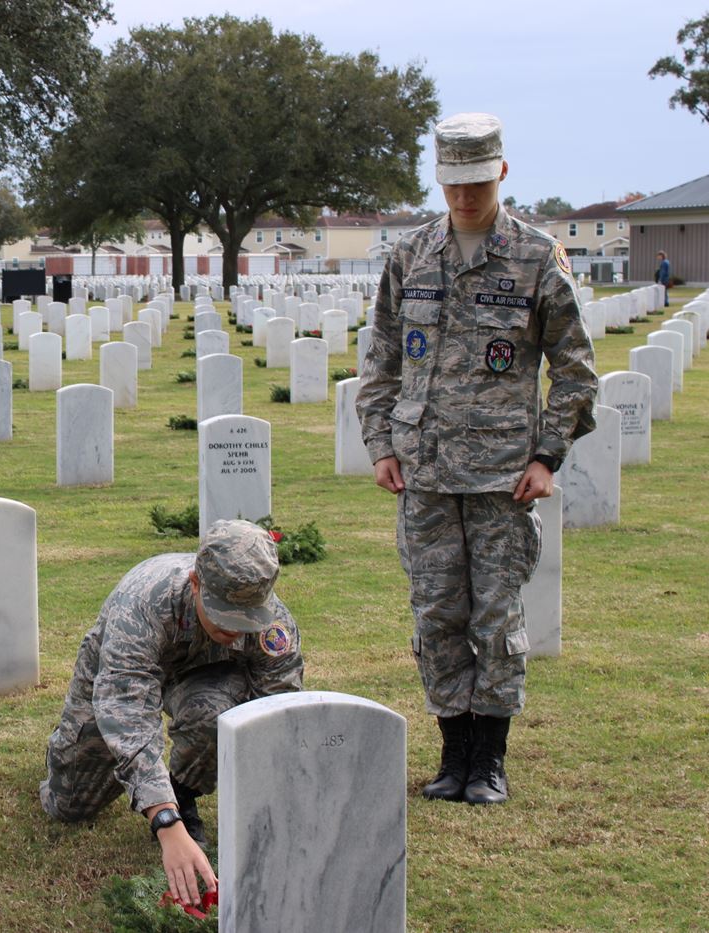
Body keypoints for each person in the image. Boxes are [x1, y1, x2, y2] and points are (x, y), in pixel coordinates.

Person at [356, 113, 597, 806]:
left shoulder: (535, 255)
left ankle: (488, 760)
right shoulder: (412, 254)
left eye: (477, 182)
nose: (464, 197)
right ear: (440, 178)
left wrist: (548, 455)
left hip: (503, 478)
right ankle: (452, 754)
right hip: (425, 472)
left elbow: (575, 370)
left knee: (496, 618)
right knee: (436, 615)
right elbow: (381, 358)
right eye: (453, 182)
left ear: (502, 173)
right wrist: (380, 444)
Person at [39, 520, 304, 908]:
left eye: (248, 617)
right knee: (70, 807)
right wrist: (163, 820)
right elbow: (127, 709)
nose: (236, 629)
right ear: (196, 583)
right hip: (120, 673)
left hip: (203, 676)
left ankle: (182, 792)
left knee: (215, 717)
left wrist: (277, 811)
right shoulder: (142, 606)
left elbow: (277, 713)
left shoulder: (274, 625)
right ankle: (66, 750)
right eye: (225, 615)